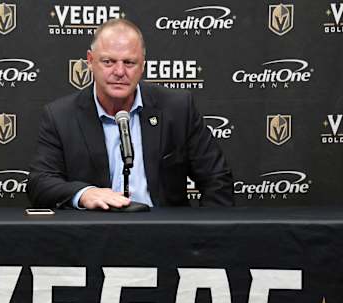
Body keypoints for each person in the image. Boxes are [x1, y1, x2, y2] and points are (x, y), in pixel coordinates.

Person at [28, 19, 234, 210]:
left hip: (166, 236)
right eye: (108, 62)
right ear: (90, 61)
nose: (119, 71)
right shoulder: (61, 115)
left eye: (129, 63)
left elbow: (216, 178)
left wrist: (208, 236)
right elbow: (40, 182)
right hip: (93, 237)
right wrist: (84, 193)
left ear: (142, 64)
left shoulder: (178, 108)